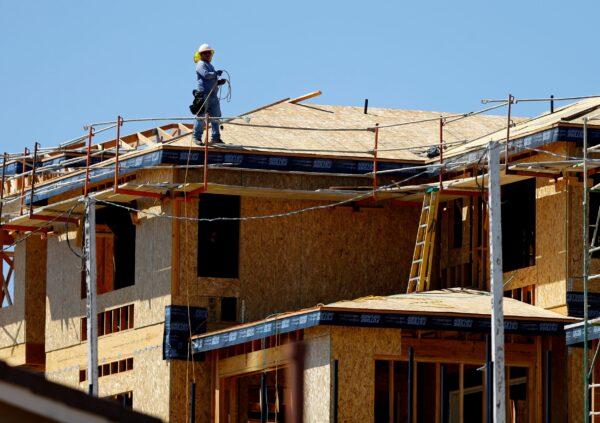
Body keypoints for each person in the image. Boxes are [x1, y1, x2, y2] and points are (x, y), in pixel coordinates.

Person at [193, 44, 227, 144]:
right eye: (206, 53)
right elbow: (206, 75)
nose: (208, 55)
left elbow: (211, 79)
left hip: (212, 95)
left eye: (209, 53)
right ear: (201, 55)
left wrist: (218, 82)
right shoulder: (200, 64)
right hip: (203, 95)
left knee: (215, 116)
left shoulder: (210, 65)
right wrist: (216, 74)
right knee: (201, 116)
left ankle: (216, 137)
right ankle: (197, 137)